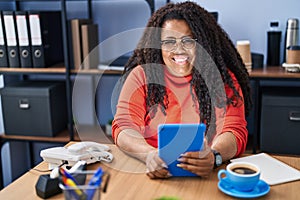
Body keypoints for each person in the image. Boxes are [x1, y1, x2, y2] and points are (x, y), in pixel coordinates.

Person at [112, 1, 252, 179]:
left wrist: (215, 156)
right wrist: (147, 154)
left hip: (206, 175)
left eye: (188, 40)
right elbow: (123, 126)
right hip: (151, 172)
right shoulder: (142, 76)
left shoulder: (221, 79)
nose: (179, 50)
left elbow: (234, 130)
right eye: (169, 41)